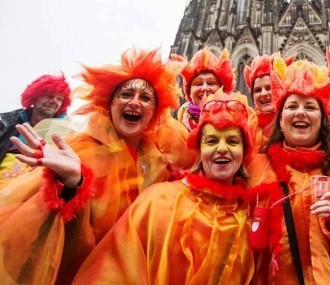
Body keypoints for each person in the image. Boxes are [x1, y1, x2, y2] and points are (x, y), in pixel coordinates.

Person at [0, 47, 195, 284]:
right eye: (125, 95)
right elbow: (35, 235)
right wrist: (72, 184)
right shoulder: (77, 151)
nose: (135, 102)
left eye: (145, 98)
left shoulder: (159, 164)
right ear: (110, 103)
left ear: (154, 112)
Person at [73, 90, 257, 284]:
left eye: (232, 141)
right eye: (211, 141)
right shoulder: (157, 200)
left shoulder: (250, 215)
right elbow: (111, 269)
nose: (221, 148)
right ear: (200, 150)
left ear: (244, 151)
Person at [246, 59, 330, 284]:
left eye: (311, 107)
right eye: (292, 106)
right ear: (281, 118)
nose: (301, 113)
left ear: (322, 119)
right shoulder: (255, 167)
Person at [0, 73, 71, 177]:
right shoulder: (6, 122)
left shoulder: (66, 131)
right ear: (34, 97)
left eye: (60, 98)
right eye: (49, 96)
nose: (54, 101)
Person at [172, 46, 235, 131]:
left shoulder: (236, 124)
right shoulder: (174, 127)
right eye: (198, 84)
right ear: (189, 92)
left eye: (211, 83)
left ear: (222, 89)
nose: (204, 88)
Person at [243, 52, 292, 141]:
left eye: (269, 87)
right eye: (257, 90)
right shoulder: (246, 125)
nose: (263, 94)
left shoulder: (292, 124)